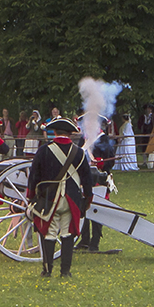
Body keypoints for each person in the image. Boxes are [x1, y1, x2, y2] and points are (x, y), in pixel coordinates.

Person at [26, 117, 93, 278]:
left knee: (49, 233)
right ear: (70, 134)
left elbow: (34, 176)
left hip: (49, 199)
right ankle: (65, 272)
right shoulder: (80, 153)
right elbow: (87, 179)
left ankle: (47, 270)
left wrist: (31, 196)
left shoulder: (44, 150)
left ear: (54, 132)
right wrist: (87, 199)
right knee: (67, 233)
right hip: (71, 199)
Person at [78, 121, 118, 252]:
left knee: (97, 210)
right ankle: (84, 239)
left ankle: (95, 242)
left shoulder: (104, 139)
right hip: (84, 179)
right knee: (83, 209)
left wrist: (101, 164)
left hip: (99, 180)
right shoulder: (83, 140)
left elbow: (111, 160)